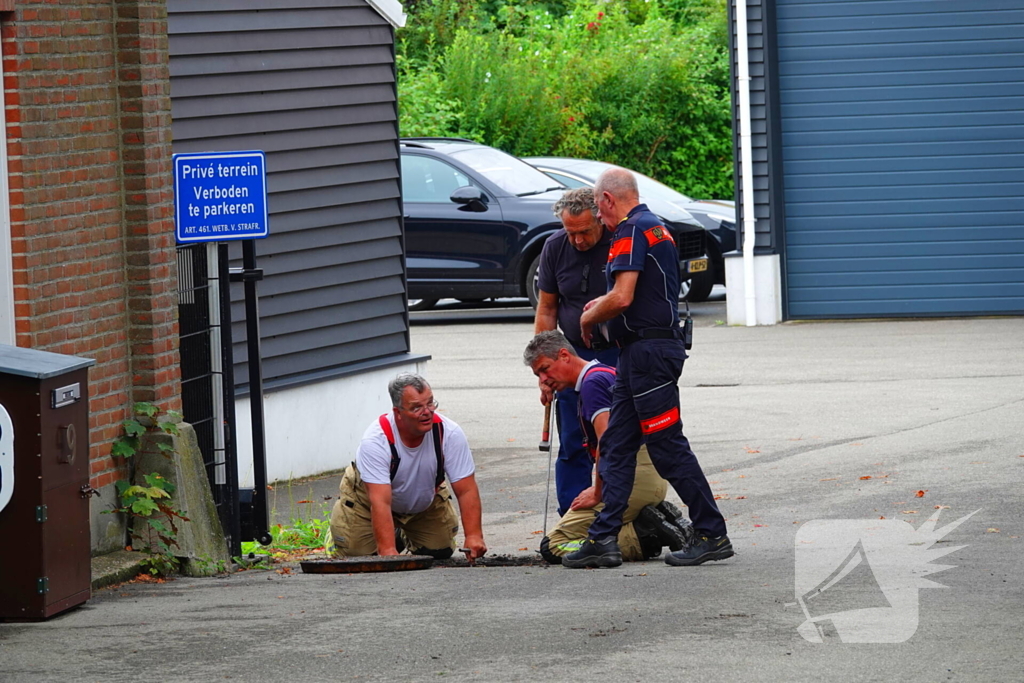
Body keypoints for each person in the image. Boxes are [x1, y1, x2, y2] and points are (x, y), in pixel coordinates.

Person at [563, 168, 733, 569]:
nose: (600, 221)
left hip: (648, 354)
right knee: (618, 445)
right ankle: (603, 539)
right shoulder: (656, 227)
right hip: (636, 354)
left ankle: (712, 533)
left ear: (606, 200)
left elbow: (622, 297)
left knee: (666, 445)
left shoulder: (631, 229)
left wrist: (589, 317)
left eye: (599, 212)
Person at [524, 331, 692, 563]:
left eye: (545, 368)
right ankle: (653, 518)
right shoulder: (606, 373)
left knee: (554, 544)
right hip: (650, 476)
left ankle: (644, 534)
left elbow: (608, 441)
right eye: (538, 374)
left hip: (631, 480)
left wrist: (598, 491)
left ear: (564, 355)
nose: (543, 379)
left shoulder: (591, 384)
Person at [328, 373, 487, 561]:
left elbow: (466, 489)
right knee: (357, 556)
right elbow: (380, 501)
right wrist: (388, 552)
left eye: (430, 403)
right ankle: (339, 539)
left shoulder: (449, 433)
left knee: (439, 552)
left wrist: (474, 536)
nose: (427, 412)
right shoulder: (376, 441)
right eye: (417, 407)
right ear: (398, 413)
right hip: (368, 501)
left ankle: (402, 534)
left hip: (423, 500)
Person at [534, 187, 620, 516]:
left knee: (617, 435)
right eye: (572, 232)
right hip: (572, 358)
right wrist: (545, 368)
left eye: (585, 232)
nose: (579, 241)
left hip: (616, 352)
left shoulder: (617, 241)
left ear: (599, 218)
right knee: (573, 439)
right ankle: (572, 517)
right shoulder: (555, 247)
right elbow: (546, 310)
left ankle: (619, 510)